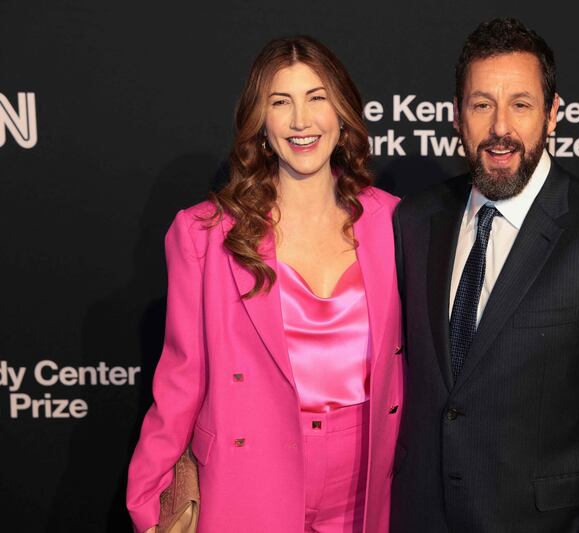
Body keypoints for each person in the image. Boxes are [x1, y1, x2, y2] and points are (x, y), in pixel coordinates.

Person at [390, 18, 579, 532]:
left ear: (553, 114)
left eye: (520, 104)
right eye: (482, 105)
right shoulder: (413, 222)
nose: (500, 128)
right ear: (457, 117)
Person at [127, 36, 403, 533]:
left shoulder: (393, 222)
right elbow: (180, 381)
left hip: (369, 478)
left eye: (317, 98)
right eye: (281, 102)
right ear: (261, 122)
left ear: (342, 113)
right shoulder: (204, 235)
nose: (301, 120)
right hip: (250, 473)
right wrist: (149, 497)